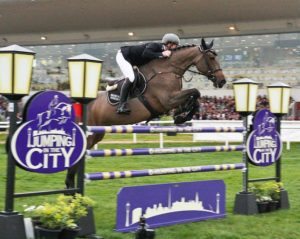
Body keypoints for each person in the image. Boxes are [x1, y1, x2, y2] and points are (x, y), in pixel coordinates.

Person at [116, 33, 180, 114]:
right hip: (123, 55)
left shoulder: (163, 51)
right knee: (131, 78)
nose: (176, 47)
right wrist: (161, 54)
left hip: (133, 61)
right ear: (169, 44)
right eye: (175, 45)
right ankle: (121, 106)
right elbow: (146, 53)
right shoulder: (156, 45)